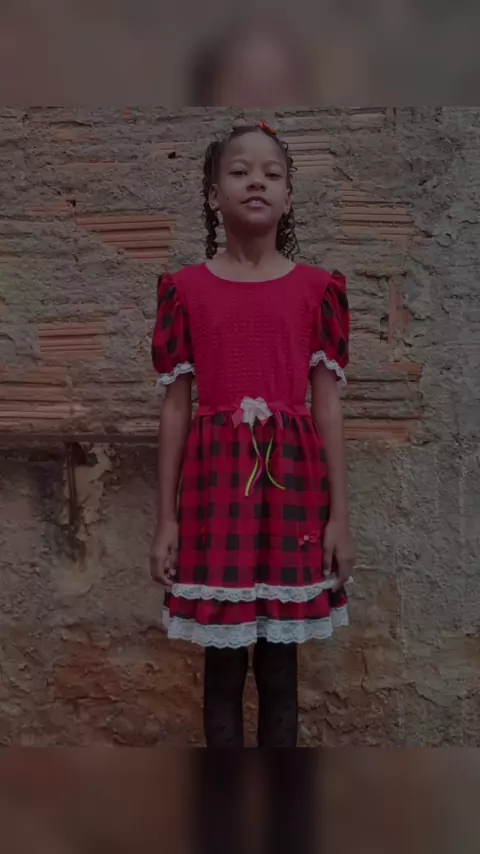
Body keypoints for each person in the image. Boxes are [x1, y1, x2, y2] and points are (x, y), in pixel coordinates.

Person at [150, 122, 355, 748]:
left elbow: (327, 407)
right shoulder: (185, 290)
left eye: (272, 173)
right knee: (221, 670)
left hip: (293, 492)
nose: (256, 181)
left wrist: (340, 518)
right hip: (215, 497)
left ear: (289, 196)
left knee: (280, 671)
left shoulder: (317, 290)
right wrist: (166, 519)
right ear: (214, 194)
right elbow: (176, 409)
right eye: (239, 171)